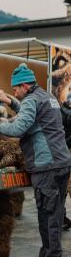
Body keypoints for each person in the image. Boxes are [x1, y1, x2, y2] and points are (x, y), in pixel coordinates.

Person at [0, 63, 71, 257]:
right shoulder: (48, 97)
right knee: (56, 215)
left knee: (47, 217)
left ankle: (51, 254)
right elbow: (32, 114)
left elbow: (18, 128)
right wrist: (9, 101)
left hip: (46, 166)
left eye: (15, 89)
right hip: (61, 163)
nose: (14, 92)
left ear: (24, 86)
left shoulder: (32, 101)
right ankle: (50, 252)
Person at [60, 93, 71, 230]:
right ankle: (61, 217)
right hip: (65, 151)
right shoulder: (61, 111)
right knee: (63, 188)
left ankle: (62, 218)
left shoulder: (61, 110)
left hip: (64, 150)